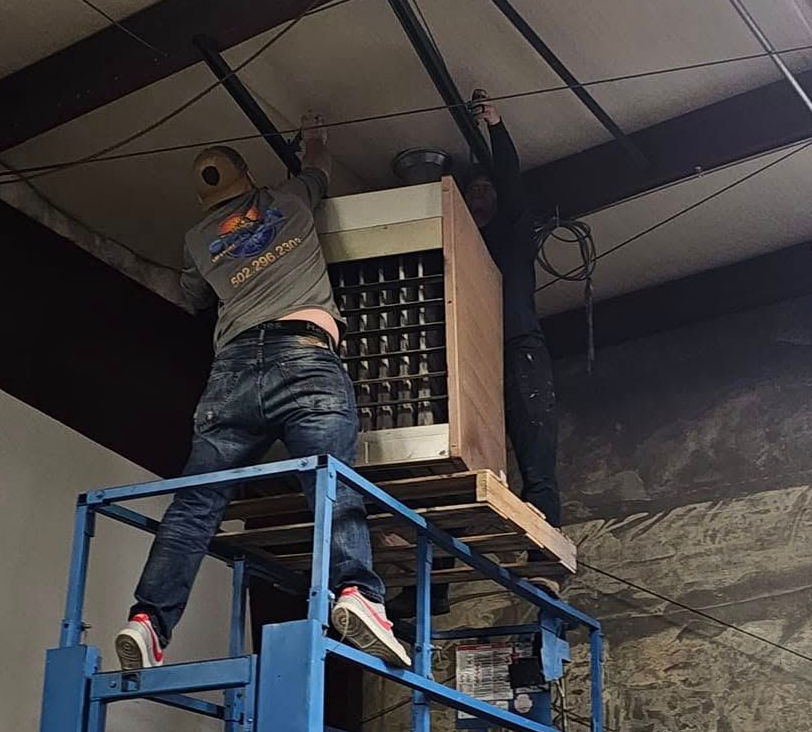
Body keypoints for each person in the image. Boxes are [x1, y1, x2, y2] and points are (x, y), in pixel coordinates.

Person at [115, 135, 410, 672]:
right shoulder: (290, 199)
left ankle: (149, 621)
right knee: (329, 481)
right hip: (304, 357)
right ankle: (356, 593)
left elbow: (191, 296)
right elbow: (320, 170)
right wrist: (315, 138)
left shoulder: (198, 236)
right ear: (247, 177)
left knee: (195, 503)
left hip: (230, 372)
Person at [462, 94, 562, 527]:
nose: (481, 194)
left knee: (535, 442)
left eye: (487, 189)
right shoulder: (458, 245)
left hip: (517, 342)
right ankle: (441, 577)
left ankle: (543, 528)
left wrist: (496, 128)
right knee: (466, 455)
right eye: (473, 190)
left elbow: (512, 186)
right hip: (474, 353)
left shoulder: (512, 232)